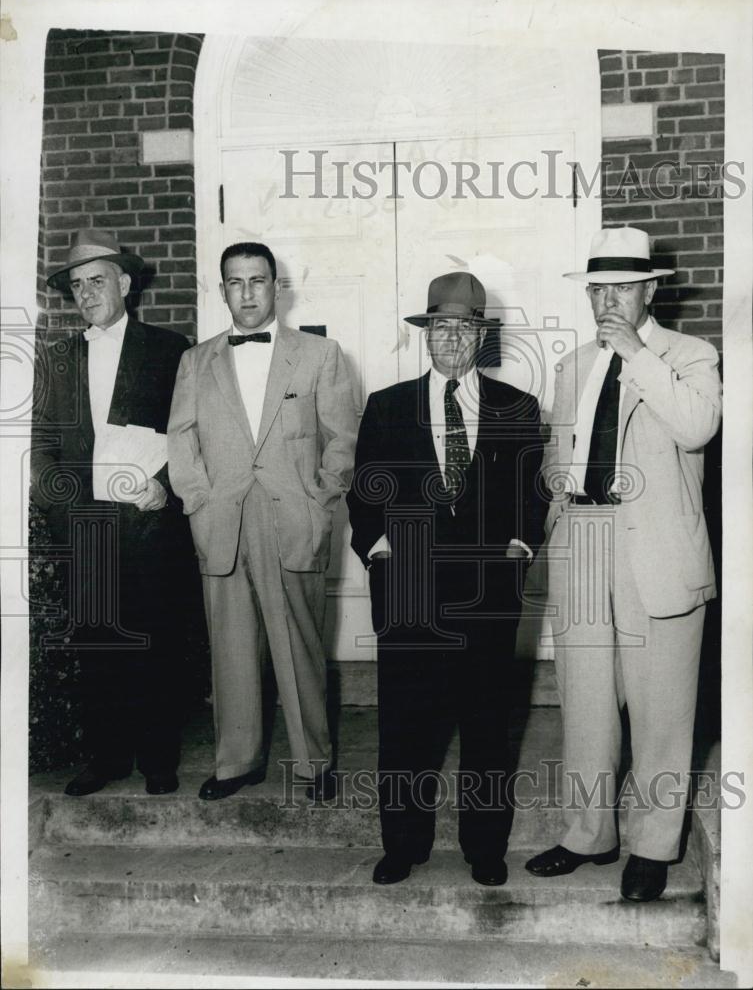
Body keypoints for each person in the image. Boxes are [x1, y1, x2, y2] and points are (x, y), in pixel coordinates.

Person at [525, 227, 722, 902]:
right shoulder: (573, 365)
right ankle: (588, 834)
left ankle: (652, 844)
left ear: (648, 293)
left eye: (621, 289)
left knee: (662, 705)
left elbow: (696, 427)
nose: (606, 301)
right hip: (581, 539)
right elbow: (558, 453)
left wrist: (636, 353)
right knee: (584, 702)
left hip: (654, 547)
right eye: (596, 289)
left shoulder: (690, 355)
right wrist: (556, 517)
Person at [347, 271, 545, 886]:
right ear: (426, 334)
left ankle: (484, 846)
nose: (451, 338)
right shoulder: (387, 405)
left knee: (487, 721)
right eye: (440, 327)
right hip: (407, 587)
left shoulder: (518, 406)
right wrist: (378, 549)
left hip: (487, 589)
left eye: (463, 327)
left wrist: (519, 546)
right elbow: (362, 493)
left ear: (480, 337)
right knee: (405, 721)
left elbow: (531, 493)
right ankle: (402, 845)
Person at [167, 242, 357, 802]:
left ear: (277, 287)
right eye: (235, 282)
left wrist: (319, 501)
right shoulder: (195, 361)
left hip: (293, 519)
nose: (246, 293)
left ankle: (313, 763)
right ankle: (237, 763)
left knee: (299, 648)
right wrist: (198, 503)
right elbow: (181, 440)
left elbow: (342, 439)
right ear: (222, 289)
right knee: (230, 651)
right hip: (222, 521)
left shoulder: (321, 354)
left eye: (257, 280)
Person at [32, 228, 191, 796]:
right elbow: (41, 444)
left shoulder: (170, 350)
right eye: (77, 285)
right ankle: (106, 758)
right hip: (84, 523)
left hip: (148, 520)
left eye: (96, 281)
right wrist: (61, 507)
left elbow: (191, 434)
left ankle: (158, 759)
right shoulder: (57, 359)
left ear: (124, 284)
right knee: (96, 643)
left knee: (155, 640)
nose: (86, 293)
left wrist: (165, 488)